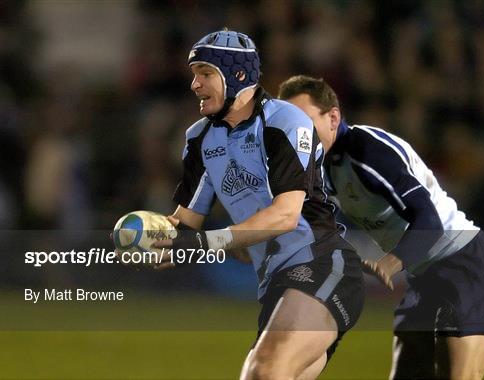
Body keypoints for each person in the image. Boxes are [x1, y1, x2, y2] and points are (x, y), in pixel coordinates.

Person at [150, 31, 365, 380]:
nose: (194, 84)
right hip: (274, 284)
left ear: (237, 74)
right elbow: (185, 222)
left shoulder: (285, 121)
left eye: (204, 73)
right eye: (194, 74)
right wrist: (151, 238)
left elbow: (285, 215)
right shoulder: (199, 138)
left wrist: (209, 243)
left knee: (263, 371)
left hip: (322, 264)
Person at [278, 75, 484, 380]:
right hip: (424, 277)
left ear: (333, 117)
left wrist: (390, 262)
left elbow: (430, 220)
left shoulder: (366, 151)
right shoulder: (321, 167)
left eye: (305, 121)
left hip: (465, 266)